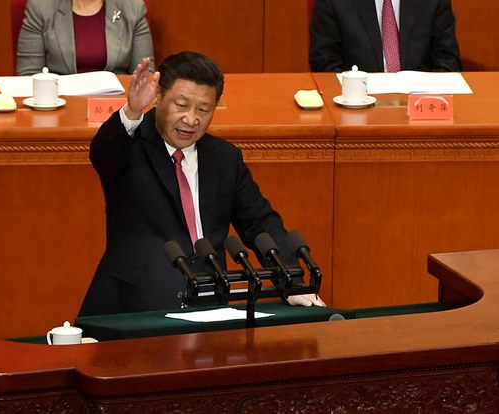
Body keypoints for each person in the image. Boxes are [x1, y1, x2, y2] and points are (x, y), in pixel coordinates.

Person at [78, 51, 325, 316]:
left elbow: (260, 222)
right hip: (135, 306)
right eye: (181, 106)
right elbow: (101, 153)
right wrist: (132, 111)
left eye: (204, 109)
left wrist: (293, 280)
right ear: (159, 96)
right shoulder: (130, 146)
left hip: (209, 304)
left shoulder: (224, 158)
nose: (191, 119)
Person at [309, 0, 462, 73]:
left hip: (419, 110)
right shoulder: (333, 2)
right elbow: (324, 64)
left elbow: (448, 63)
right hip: (357, 110)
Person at [17, 0, 154, 76]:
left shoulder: (132, 7)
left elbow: (145, 77)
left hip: (117, 108)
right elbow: (28, 76)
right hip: (58, 104)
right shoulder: (41, 7)